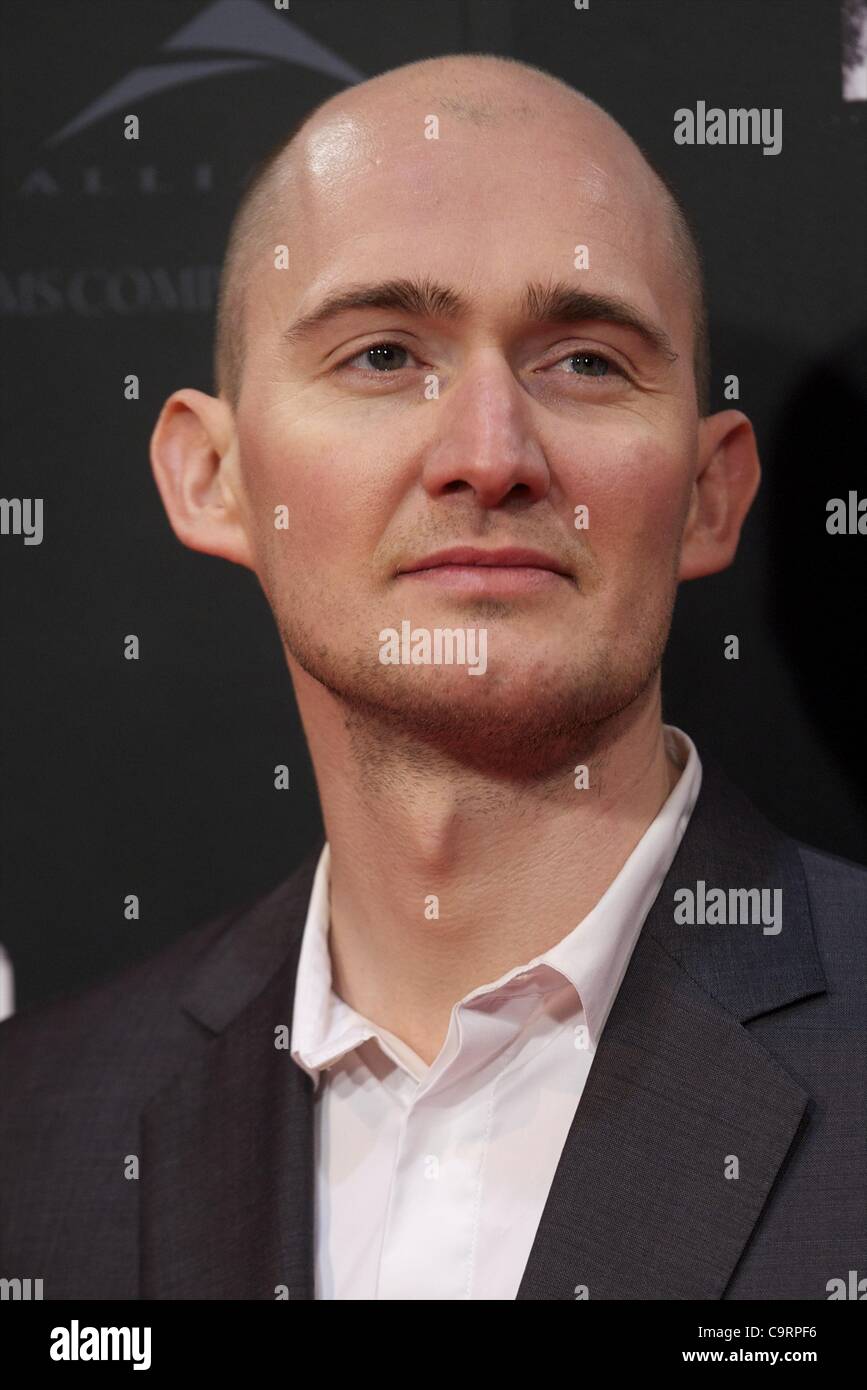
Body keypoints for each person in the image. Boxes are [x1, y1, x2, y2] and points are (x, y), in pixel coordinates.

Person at [1, 54, 864, 1302]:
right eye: (383, 355)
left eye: (583, 361)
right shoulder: (34, 1129)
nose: (489, 454)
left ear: (709, 494)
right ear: (213, 475)